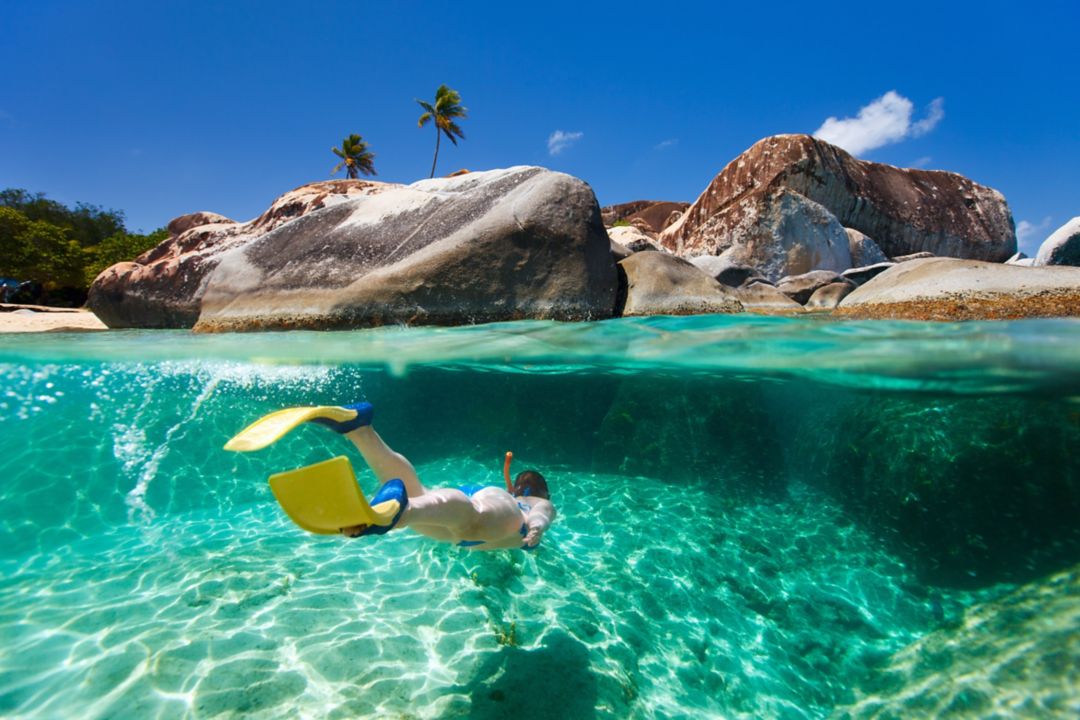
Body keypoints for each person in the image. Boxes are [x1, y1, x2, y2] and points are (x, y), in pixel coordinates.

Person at [318, 402, 556, 550]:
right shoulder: (534, 502)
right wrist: (536, 527)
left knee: (418, 496)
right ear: (544, 492)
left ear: (514, 487)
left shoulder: (509, 496)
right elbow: (541, 514)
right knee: (470, 518)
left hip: (464, 525)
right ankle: (403, 511)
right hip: (505, 518)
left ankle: (360, 430)